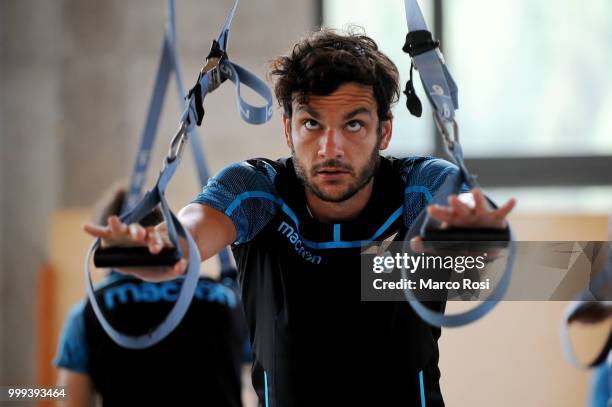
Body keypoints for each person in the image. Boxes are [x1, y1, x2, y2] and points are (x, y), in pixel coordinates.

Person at [85, 29, 516, 406]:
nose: (331, 148)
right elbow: (192, 232)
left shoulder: (419, 185)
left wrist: (475, 232)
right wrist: (162, 244)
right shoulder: (257, 189)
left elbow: (478, 232)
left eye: (353, 125)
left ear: (384, 130)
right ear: (288, 129)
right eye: (312, 124)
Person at [57, 184, 251, 406]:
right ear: (159, 231)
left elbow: (71, 400)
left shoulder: (87, 312)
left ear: (106, 246)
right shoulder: (227, 297)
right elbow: (266, 376)